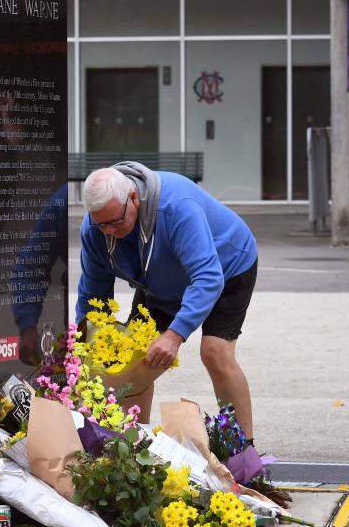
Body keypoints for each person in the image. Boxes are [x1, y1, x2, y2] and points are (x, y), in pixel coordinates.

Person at [76, 162, 258, 440]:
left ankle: (243, 450)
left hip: (226, 265)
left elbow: (208, 277)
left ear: (134, 198)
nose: (109, 231)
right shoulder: (95, 229)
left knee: (214, 352)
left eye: (115, 222)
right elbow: (93, 296)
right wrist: (82, 348)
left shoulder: (175, 207)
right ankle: (132, 445)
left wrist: (175, 335)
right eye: (102, 225)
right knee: (133, 358)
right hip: (159, 280)